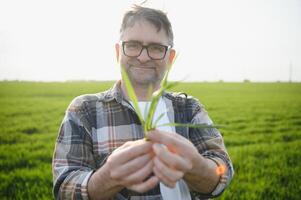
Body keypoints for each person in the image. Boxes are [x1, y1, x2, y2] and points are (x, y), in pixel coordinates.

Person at [52, 5, 234, 200]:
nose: (143, 56)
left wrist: (197, 167)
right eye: (132, 45)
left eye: (156, 48)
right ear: (118, 51)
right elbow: (64, 187)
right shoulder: (84, 111)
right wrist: (108, 177)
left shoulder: (189, 109)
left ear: (170, 58)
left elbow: (223, 171)